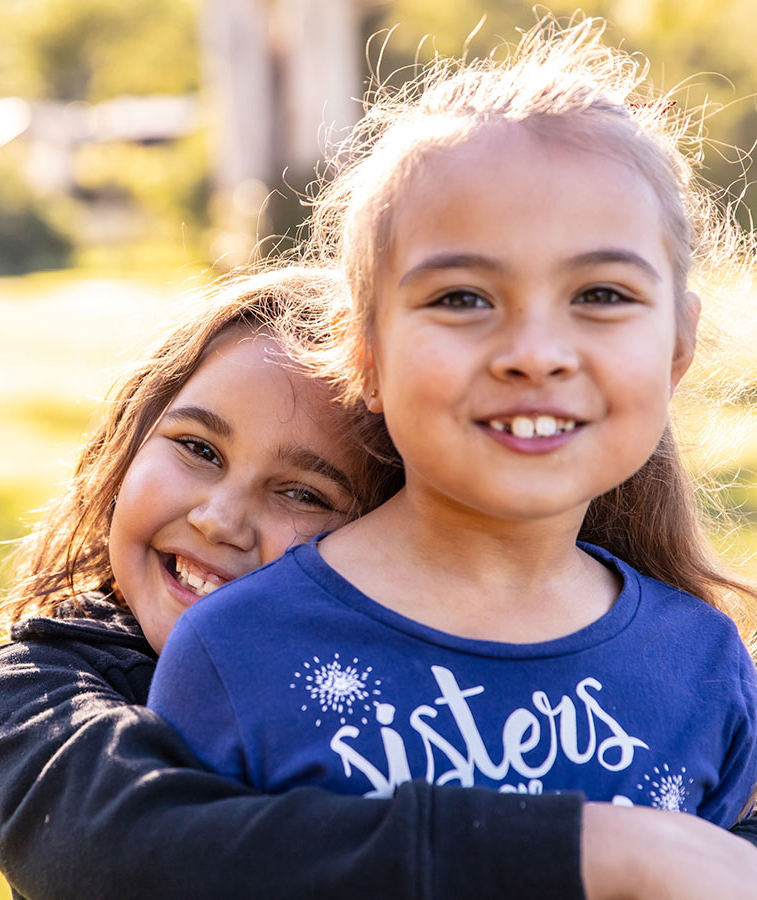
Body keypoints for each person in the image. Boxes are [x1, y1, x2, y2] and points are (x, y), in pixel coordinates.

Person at [148, 14, 757, 832]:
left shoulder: (706, 668)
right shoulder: (238, 651)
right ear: (364, 352)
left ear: (678, 344)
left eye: (601, 295)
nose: (536, 353)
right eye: (462, 298)